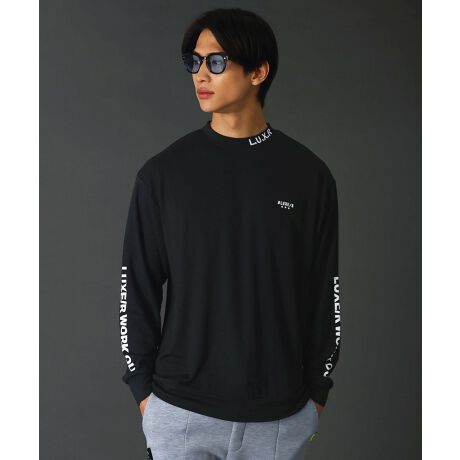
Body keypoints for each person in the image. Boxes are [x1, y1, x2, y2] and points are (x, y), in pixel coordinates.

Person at [118, 7, 341, 460]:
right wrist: (143, 391)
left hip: (279, 418)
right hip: (180, 413)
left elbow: (326, 292)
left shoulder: (308, 176)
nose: (201, 74)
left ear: (259, 71)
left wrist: (317, 391)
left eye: (216, 61)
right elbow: (135, 287)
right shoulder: (164, 175)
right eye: (194, 61)